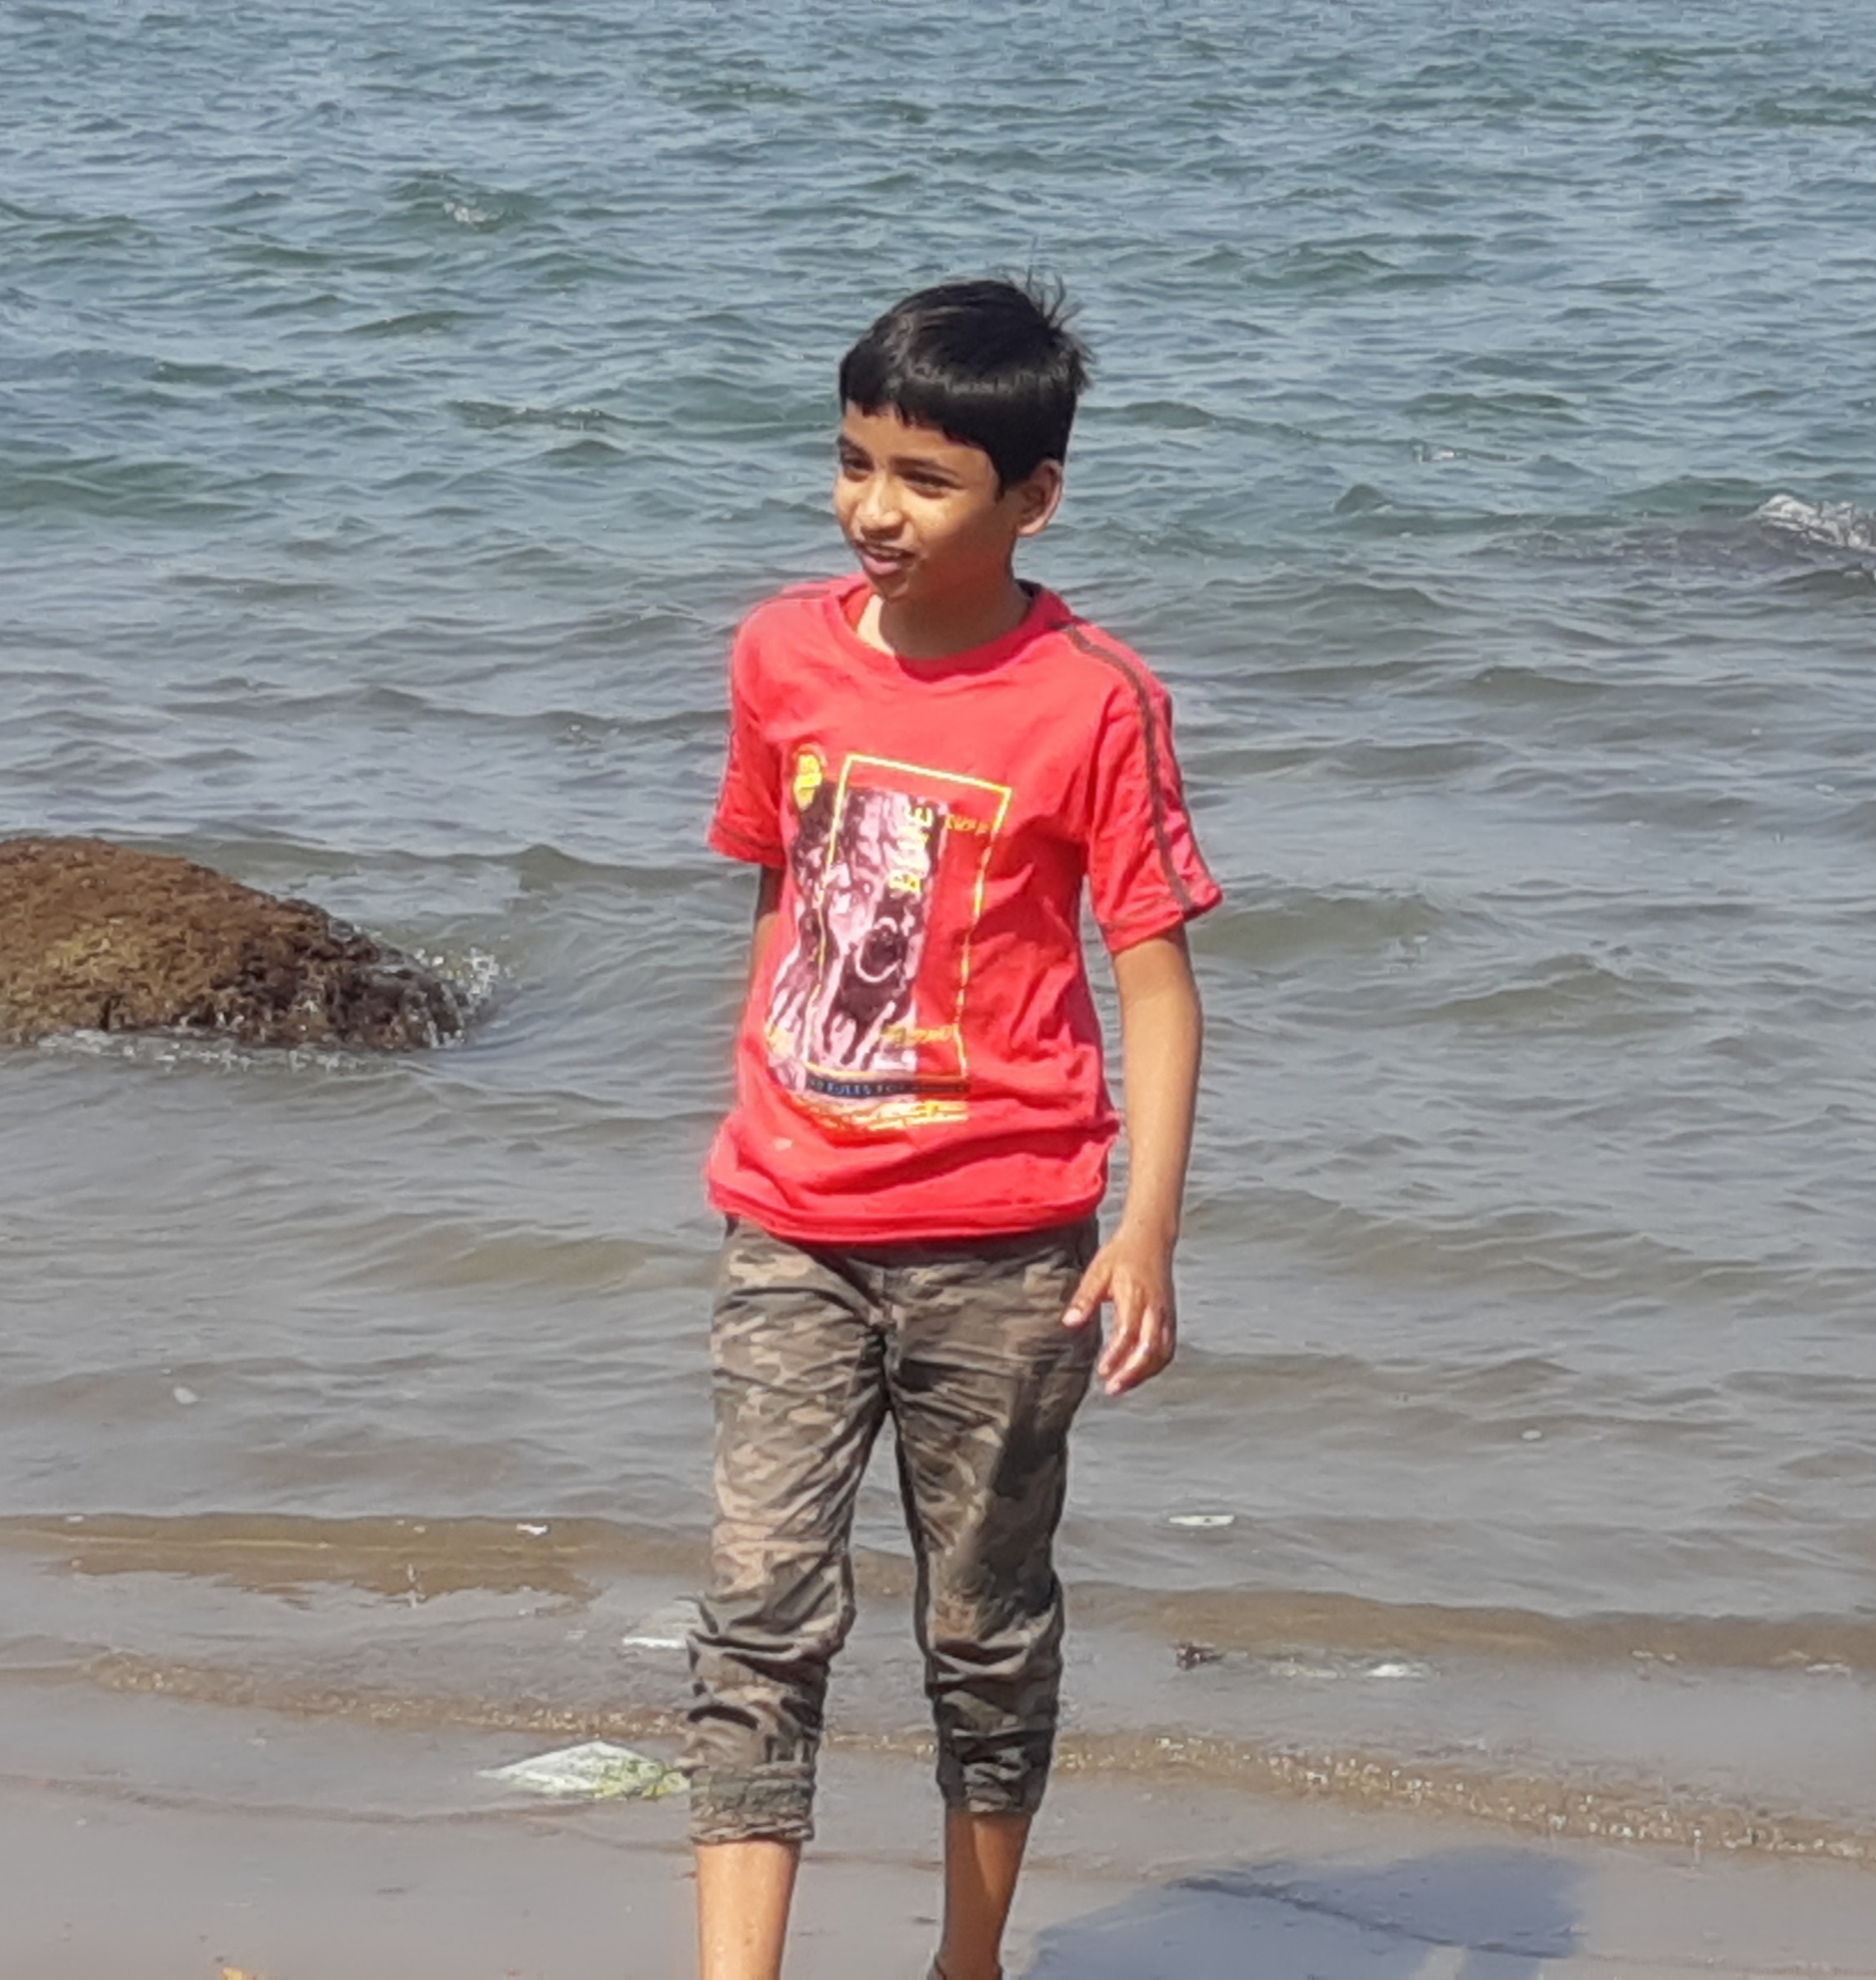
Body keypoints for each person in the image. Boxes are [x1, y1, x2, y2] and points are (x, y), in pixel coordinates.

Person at [686, 277, 1220, 1980]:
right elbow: (782, 889)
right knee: (758, 1612)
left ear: (1033, 497)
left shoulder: (1095, 698)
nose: (874, 509)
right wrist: (762, 1106)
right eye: (854, 463)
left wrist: (1145, 1229)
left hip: (1007, 1243)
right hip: (792, 1223)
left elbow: (1154, 980)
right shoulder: (779, 653)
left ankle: (967, 1960)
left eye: (926, 480)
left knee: (983, 1629)